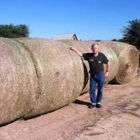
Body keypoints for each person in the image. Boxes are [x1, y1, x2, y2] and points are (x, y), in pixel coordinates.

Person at [70, 43, 110, 109]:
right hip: (93, 76)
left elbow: (108, 62)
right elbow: (81, 54)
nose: (94, 49)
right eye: (93, 48)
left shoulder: (101, 56)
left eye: (96, 48)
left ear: (98, 49)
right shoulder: (89, 55)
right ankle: (93, 103)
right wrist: (74, 49)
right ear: (91, 49)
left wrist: (107, 71)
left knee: (100, 90)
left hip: (101, 75)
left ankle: (98, 103)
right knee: (92, 90)